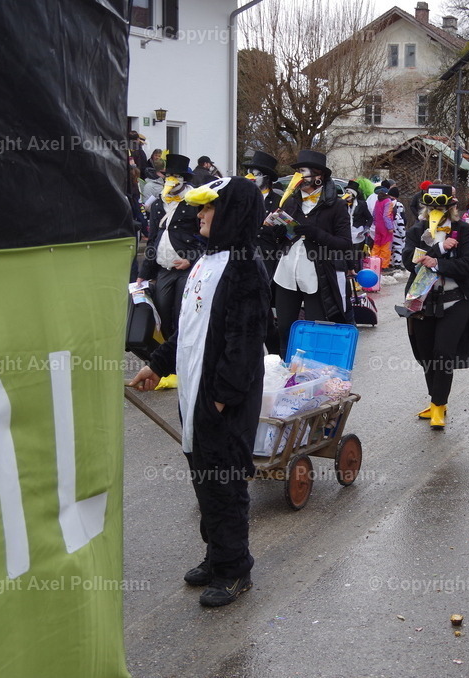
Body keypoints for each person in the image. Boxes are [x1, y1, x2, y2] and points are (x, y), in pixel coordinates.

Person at [129, 176, 269, 607]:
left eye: (210, 208)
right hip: (195, 394)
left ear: (232, 213)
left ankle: (235, 569)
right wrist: (157, 364)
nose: (201, 215)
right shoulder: (208, 262)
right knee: (205, 479)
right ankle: (217, 554)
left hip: (220, 401)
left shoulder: (245, 267)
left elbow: (243, 343)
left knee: (224, 483)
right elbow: (188, 330)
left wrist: (221, 398)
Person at [401, 184, 469, 430]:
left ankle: (438, 405)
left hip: (456, 300)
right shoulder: (417, 230)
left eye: (442, 206)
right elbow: (409, 262)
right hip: (423, 301)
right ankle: (436, 400)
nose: (437, 210)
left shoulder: (463, 231)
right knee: (426, 355)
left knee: (444, 352)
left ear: (452, 207)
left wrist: (437, 263)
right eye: (432, 206)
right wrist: (436, 249)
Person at [266, 149, 351, 356]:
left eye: (303, 172)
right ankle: (286, 372)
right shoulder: (290, 201)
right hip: (287, 273)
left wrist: (316, 234)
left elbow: (345, 244)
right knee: (285, 327)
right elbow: (285, 239)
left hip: (317, 275)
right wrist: (279, 232)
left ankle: (312, 376)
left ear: (319, 176)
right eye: (297, 172)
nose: (299, 177)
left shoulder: (336, 206)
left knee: (315, 329)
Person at [138, 153, 204, 342]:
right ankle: (167, 356)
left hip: (186, 268)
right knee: (162, 314)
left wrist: (190, 259)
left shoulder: (195, 202)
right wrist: (144, 273)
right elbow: (152, 239)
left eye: (175, 177)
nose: (170, 181)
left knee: (182, 313)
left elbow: (204, 237)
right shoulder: (159, 203)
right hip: (164, 268)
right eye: (168, 177)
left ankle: (182, 353)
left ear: (183, 179)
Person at [244, 149, 284, 355]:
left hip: (269, 257)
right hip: (244, 256)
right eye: (249, 172)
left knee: (265, 305)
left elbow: (288, 232)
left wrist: (275, 225)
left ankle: (274, 352)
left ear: (266, 178)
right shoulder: (243, 199)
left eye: (256, 173)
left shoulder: (279, 201)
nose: (251, 177)